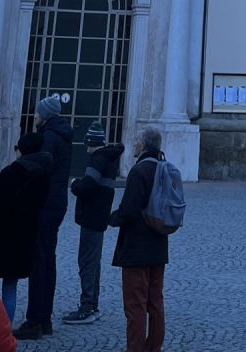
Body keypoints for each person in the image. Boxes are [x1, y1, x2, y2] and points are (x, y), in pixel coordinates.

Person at [0, 135, 51, 328]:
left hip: (1, 235)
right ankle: (5, 328)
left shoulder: (11, 172)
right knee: (10, 286)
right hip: (25, 236)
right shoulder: (44, 174)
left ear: (21, 150)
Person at [14, 101, 72, 340]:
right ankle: (44, 319)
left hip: (46, 203)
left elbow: (40, 168)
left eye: (38, 112)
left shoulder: (49, 137)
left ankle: (35, 320)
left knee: (39, 261)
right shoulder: (63, 134)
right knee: (47, 259)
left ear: (45, 116)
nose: (35, 114)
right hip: (56, 201)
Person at [107, 129, 168, 352]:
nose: (133, 144)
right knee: (155, 303)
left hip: (137, 247)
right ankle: (154, 348)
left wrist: (112, 218)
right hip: (159, 243)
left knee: (135, 306)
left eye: (136, 140)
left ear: (142, 144)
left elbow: (130, 211)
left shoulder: (139, 171)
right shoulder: (165, 168)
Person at [64, 124, 124, 325]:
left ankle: (87, 305)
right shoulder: (108, 158)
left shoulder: (97, 159)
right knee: (93, 261)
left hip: (91, 216)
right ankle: (92, 304)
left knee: (87, 262)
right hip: (99, 215)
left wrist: (74, 185)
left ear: (90, 142)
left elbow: (88, 186)